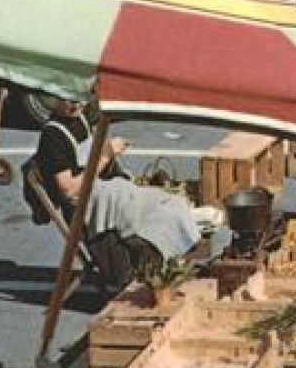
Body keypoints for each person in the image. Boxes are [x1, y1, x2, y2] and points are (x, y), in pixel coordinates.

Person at [34, 97, 203, 271]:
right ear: (54, 99)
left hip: (103, 188)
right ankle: (151, 262)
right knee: (153, 215)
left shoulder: (78, 118)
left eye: (80, 100)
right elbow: (68, 190)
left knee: (172, 203)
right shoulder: (52, 135)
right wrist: (106, 156)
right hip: (88, 204)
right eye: (70, 101)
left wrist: (107, 153)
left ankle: (170, 258)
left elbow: (89, 160)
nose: (77, 105)